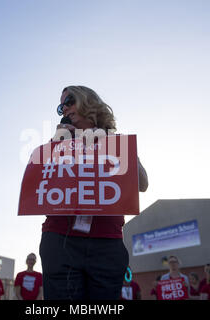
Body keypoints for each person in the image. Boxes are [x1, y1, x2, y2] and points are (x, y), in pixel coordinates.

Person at [39, 86, 149, 300]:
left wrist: (115, 145)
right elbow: (39, 181)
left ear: (87, 101)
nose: (65, 109)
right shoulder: (60, 141)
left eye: (69, 101)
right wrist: (58, 142)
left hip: (106, 242)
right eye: (61, 106)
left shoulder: (117, 142)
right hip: (61, 239)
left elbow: (143, 184)